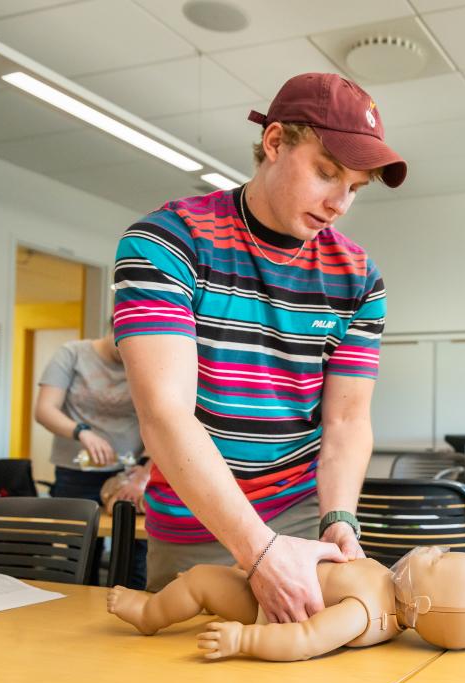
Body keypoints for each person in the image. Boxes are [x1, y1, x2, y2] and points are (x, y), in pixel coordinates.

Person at [112, 73, 407, 623]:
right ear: (274, 143)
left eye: (355, 188)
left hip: (296, 517)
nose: (340, 203)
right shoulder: (167, 241)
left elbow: (346, 420)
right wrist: (256, 550)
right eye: (327, 173)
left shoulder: (359, 277)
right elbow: (164, 413)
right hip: (195, 522)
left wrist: (338, 516)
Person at [105, 546, 465, 660]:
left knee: (199, 580)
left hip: (265, 606)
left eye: (438, 560)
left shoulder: (363, 613)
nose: (433, 550)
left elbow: (305, 639)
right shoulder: (390, 588)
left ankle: (147, 614)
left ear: (423, 604)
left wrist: (244, 640)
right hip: (274, 573)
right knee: (214, 580)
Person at [34, 333, 149, 588]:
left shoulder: (146, 357)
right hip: (76, 471)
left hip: (130, 473)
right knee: (80, 554)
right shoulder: (72, 354)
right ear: (115, 327)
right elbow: (44, 410)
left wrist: (146, 469)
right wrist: (82, 432)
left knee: (134, 554)